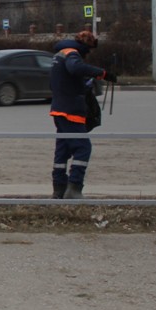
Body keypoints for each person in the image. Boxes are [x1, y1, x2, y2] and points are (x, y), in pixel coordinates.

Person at [49, 30, 116, 200]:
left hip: (59, 108)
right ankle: (74, 188)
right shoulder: (72, 53)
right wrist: (102, 73)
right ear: (87, 46)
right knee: (83, 148)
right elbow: (76, 68)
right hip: (71, 110)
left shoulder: (59, 54)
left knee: (62, 150)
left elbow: (66, 81)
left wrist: (85, 86)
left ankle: (59, 189)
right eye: (90, 50)